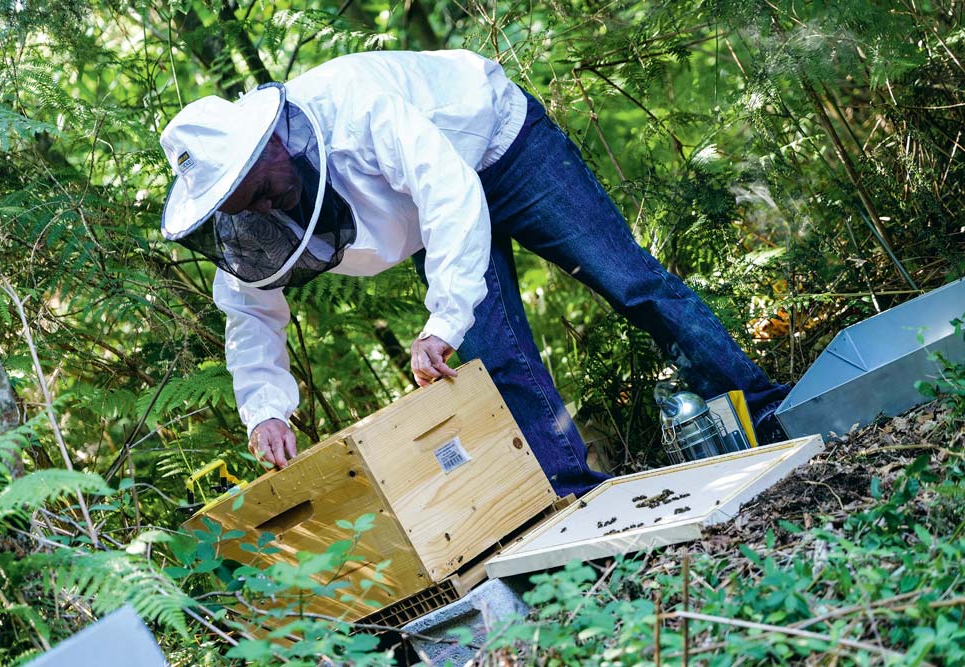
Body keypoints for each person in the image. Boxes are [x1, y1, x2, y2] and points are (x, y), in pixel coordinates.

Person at [159, 49, 790, 498]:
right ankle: (578, 498)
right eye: (249, 209)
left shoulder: (352, 106)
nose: (266, 211)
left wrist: (442, 319)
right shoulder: (253, 206)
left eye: (264, 192)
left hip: (502, 147)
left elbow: (448, 190)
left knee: (629, 281)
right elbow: (247, 308)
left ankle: (766, 412)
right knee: (493, 359)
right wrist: (265, 409)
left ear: (268, 143)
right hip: (435, 213)